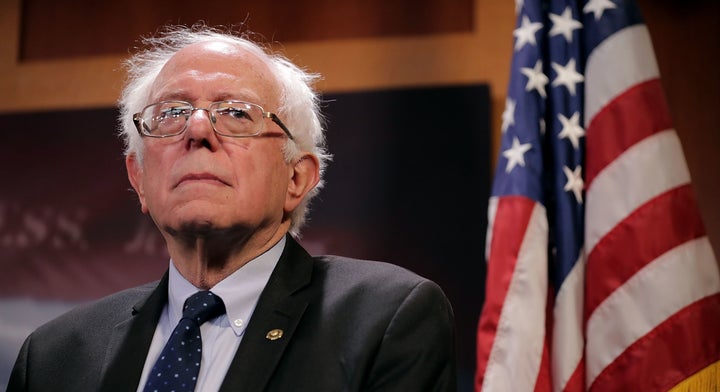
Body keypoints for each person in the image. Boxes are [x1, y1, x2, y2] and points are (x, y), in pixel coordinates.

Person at [7, 24, 456, 392]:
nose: (197, 130)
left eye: (237, 113)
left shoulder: (383, 320)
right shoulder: (53, 357)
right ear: (139, 179)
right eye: (170, 114)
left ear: (296, 178)